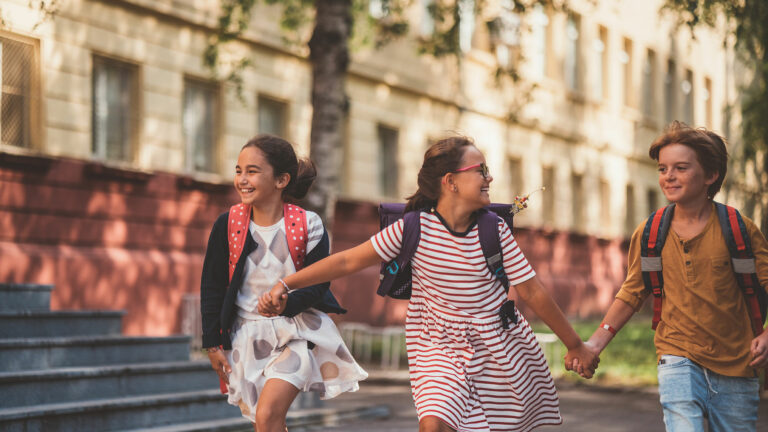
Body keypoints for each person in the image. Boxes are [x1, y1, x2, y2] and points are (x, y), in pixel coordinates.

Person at [259, 136, 598, 432]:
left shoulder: (494, 230)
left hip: (496, 348)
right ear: (450, 181)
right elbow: (348, 260)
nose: (489, 176)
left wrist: (575, 345)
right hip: (438, 344)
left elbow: (532, 291)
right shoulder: (413, 228)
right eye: (480, 170)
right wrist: (287, 283)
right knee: (433, 423)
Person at [569, 122, 768, 431]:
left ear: (711, 175)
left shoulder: (739, 230)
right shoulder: (651, 233)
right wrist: (595, 344)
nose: (669, 176)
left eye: (681, 167)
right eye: (663, 168)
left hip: (736, 364)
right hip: (676, 357)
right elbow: (633, 292)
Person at [200, 135, 367, 432]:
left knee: (267, 416)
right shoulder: (227, 224)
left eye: (252, 171)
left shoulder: (309, 224)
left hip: (296, 333)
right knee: (266, 424)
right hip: (245, 337)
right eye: (239, 171)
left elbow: (319, 283)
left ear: (281, 180)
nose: (242, 179)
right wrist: (212, 343)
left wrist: (287, 302)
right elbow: (212, 286)